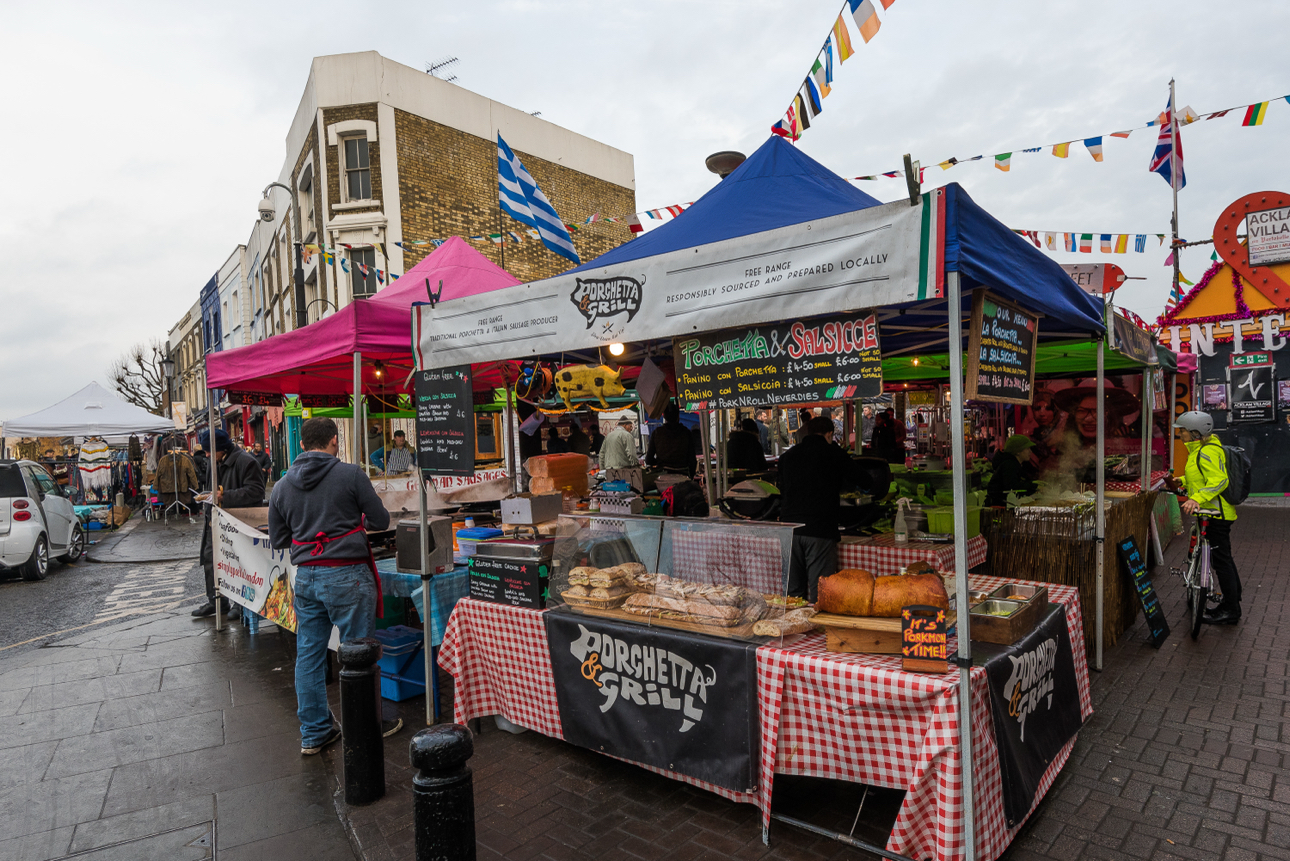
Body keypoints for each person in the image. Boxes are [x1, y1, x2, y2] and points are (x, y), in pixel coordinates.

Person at [268, 417, 393, 754]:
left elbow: (279, 539)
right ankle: (365, 724)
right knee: (359, 654)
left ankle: (314, 733)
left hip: (306, 577)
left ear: (302, 444)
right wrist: (355, 520)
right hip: (347, 574)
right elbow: (381, 520)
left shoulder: (280, 487)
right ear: (334, 440)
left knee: (308, 656)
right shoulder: (351, 474)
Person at [779, 417, 871, 601]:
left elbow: (781, 487)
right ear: (829, 434)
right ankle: (820, 629)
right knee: (821, 593)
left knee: (792, 596)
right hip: (819, 528)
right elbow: (865, 480)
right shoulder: (833, 453)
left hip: (789, 529)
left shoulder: (787, 456)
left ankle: (792, 627)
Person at [1169, 410, 1242, 625]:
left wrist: (1196, 499)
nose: (1179, 434)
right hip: (1210, 512)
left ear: (1195, 433)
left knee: (1221, 562)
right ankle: (1233, 600)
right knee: (1224, 559)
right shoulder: (1198, 450)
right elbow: (1202, 477)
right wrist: (1182, 480)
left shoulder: (1207, 451)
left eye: (1182, 431)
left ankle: (1231, 610)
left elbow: (1220, 481)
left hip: (1216, 514)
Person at [193, 429, 266, 618]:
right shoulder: (213, 462)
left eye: (210, 450)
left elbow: (256, 492)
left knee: (237, 562)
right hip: (214, 521)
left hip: (236, 522)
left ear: (222, 448)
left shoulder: (247, 462)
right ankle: (216, 600)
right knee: (210, 560)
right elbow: (211, 488)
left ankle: (240, 603)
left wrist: (225, 496)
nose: (207, 455)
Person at [645, 401, 696, 481]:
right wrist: (691, 477)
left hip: (663, 477)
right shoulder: (686, 432)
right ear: (678, 416)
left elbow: (648, 460)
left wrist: (660, 463)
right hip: (683, 476)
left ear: (664, 416)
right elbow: (692, 460)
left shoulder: (657, 433)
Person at [986, 434, 1039, 506]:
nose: (1030, 452)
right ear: (1018, 451)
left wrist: (1035, 484)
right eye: (1027, 449)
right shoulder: (1009, 465)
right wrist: (1035, 486)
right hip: (1001, 508)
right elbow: (1013, 488)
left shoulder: (1016, 464)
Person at [156, 439, 201, 518]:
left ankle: (177, 511)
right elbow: (192, 474)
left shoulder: (163, 460)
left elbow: (157, 475)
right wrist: (195, 486)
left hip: (168, 488)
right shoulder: (185, 459)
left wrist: (156, 487)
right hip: (182, 488)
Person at [600, 417, 642, 491]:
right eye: (630, 426)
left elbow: (601, 454)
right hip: (623, 471)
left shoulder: (608, 435)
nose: (631, 429)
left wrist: (603, 470)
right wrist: (637, 467)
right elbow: (631, 454)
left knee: (613, 493)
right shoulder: (627, 435)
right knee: (625, 493)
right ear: (625, 425)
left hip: (609, 471)